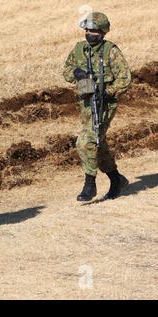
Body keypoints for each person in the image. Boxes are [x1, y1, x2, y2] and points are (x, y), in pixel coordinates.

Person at [63, 12, 132, 201]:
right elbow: (66, 71)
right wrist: (76, 73)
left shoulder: (111, 51)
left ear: (102, 32)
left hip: (104, 105)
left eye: (93, 30)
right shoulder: (79, 50)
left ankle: (89, 184)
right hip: (85, 103)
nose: (89, 33)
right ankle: (116, 179)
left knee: (86, 141)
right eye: (87, 30)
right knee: (98, 144)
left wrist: (107, 91)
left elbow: (125, 79)